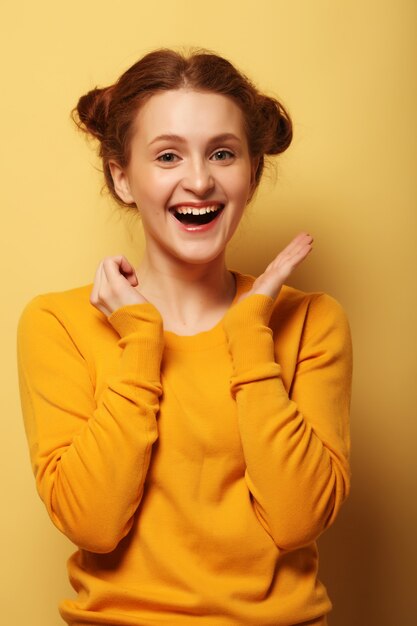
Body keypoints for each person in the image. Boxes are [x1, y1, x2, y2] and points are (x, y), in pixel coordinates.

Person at [17, 48, 352, 626]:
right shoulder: (57, 325)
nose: (199, 180)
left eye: (222, 153)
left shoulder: (311, 322)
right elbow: (92, 524)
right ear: (122, 178)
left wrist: (249, 332)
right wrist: (140, 338)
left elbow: (299, 519)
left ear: (250, 172)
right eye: (168, 156)